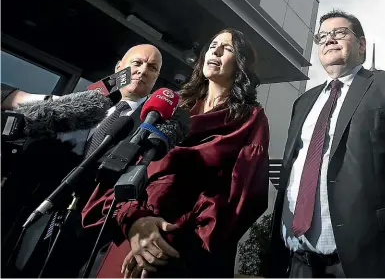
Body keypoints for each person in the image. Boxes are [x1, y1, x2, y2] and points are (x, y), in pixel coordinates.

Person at [266, 9, 385, 278]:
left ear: (361, 44)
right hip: (299, 262)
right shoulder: (303, 102)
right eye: (322, 35)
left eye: (339, 33)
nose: (329, 39)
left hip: (370, 262)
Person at [81, 28, 270, 278]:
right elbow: (126, 164)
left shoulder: (250, 119)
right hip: (134, 234)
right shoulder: (171, 105)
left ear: (241, 63)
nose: (217, 50)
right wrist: (135, 221)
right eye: (213, 44)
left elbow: (244, 195)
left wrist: (167, 237)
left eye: (229, 48)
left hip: (189, 247)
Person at [3, 44, 163, 278]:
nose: (142, 71)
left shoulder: (152, 126)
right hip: (32, 213)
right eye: (136, 63)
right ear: (119, 68)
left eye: (152, 67)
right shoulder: (77, 108)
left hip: (84, 234)